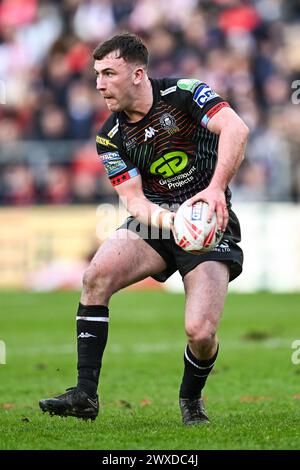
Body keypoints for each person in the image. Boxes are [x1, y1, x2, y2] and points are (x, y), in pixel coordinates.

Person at [39, 33, 249, 425]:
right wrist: (174, 222)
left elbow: (236, 129)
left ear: (137, 74)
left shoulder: (185, 94)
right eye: (96, 75)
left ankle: (190, 398)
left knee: (200, 331)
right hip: (156, 220)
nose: (99, 84)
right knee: (96, 276)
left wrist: (214, 190)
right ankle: (85, 394)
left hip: (209, 220)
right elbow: (135, 203)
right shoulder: (110, 136)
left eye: (108, 74)